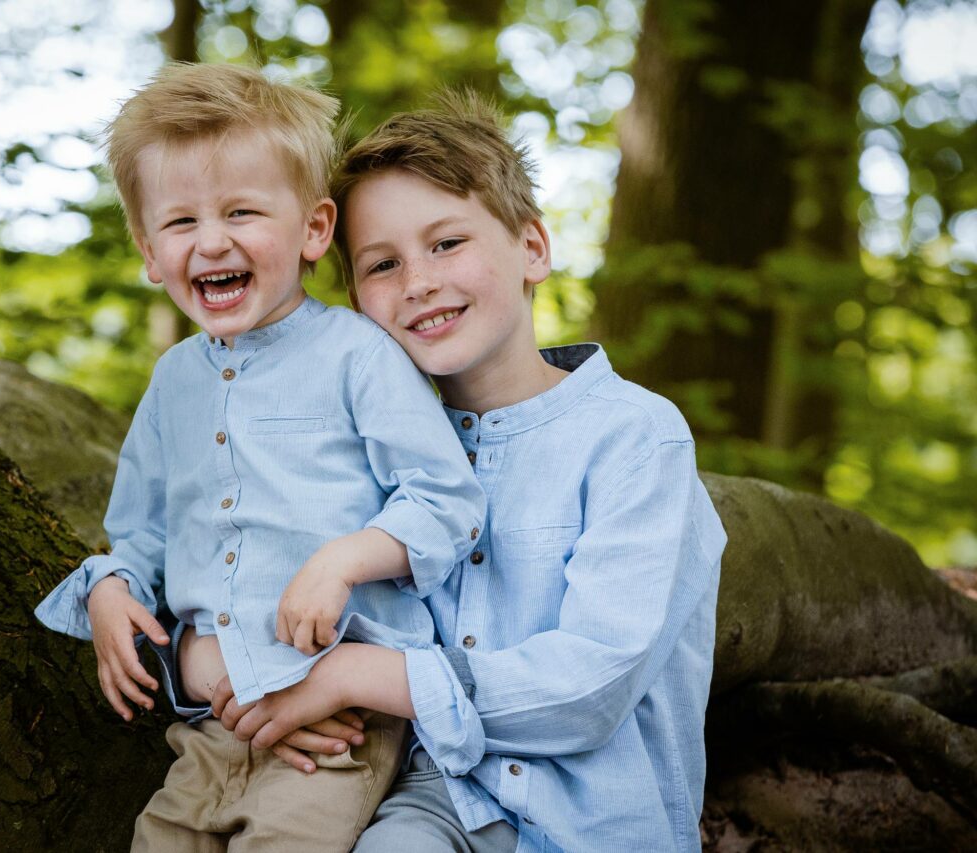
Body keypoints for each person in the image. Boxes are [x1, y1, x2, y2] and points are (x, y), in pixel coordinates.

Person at [210, 94, 727, 852]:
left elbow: (592, 686)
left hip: (597, 825)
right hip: (435, 803)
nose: (417, 280)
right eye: (383, 264)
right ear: (357, 304)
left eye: (447, 243)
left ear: (533, 248)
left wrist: (354, 674)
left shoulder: (637, 438)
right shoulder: (370, 457)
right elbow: (264, 585)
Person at [33, 64, 486, 852]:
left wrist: (342, 559)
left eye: (243, 211)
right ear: (147, 250)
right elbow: (143, 537)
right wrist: (109, 587)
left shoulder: (359, 354)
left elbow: (445, 498)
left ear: (314, 230)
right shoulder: (173, 381)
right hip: (214, 726)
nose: (212, 241)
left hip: (337, 727)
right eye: (180, 223)